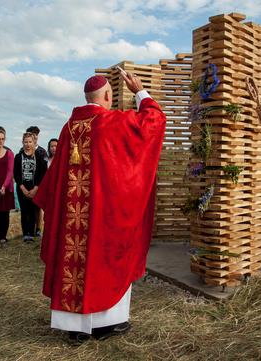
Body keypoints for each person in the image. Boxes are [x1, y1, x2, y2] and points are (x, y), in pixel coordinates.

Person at [34, 73, 166, 343]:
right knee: (104, 262)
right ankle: (107, 324)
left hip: (74, 219)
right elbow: (153, 122)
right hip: (102, 216)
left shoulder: (68, 128)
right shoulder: (110, 122)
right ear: (108, 96)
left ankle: (75, 328)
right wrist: (141, 92)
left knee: (73, 260)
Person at [14, 132, 46, 242]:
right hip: (22, 188)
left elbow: (42, 173)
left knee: (32, 211)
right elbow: (16, 174)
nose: (28, 144)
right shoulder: (18, 157)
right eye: (26, 142)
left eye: (30, 142)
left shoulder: (39, 157)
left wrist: (35, 188)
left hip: (34, 188)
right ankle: (25, 233)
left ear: (34, 142)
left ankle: (31, 234)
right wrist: (22, 188)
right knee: (24, 211)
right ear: (22, 142)